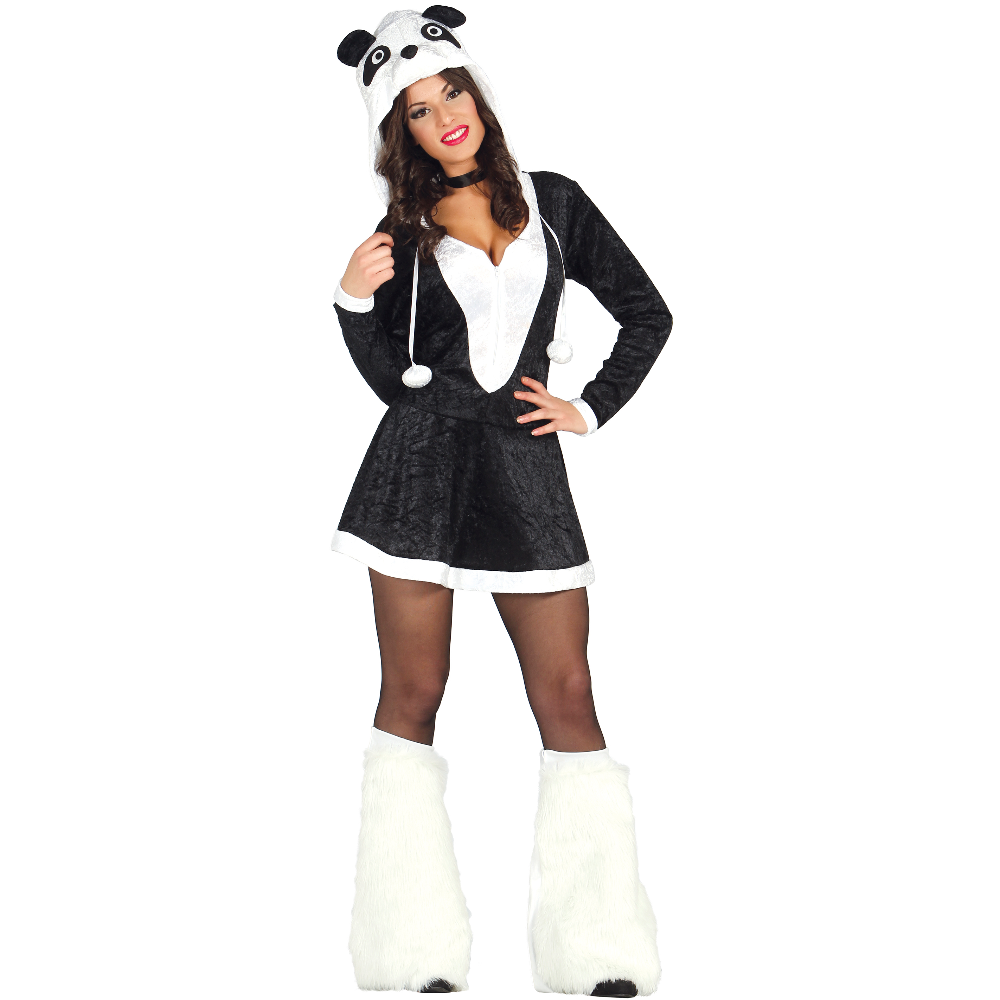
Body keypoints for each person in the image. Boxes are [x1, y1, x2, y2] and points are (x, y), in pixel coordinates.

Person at [333, 7, 672, 996]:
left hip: (524, 472)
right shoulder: (400, 232)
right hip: (413, 477)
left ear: (475, 92)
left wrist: (587, 408)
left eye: (452, 91)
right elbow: (393, 382)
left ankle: (596, 953)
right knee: (413, 693)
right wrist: (351, 302)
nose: (444, 115)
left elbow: (647, 314)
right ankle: (410, 958)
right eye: (417, 108)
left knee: (567, 692)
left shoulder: (554, 201)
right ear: (398, 130)